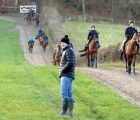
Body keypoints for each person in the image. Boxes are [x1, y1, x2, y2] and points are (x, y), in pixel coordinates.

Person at [59, 37, 76, 116]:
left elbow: (70, 62)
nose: (62, 44)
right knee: (69, 94)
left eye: (64, 43)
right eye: (61, 42)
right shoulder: (68, 50)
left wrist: (63, 70)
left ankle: (64, 112)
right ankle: (70, 113)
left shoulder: (68, 50)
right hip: (68, 75)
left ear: (67, 43)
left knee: (64, 93)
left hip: (66, 75)